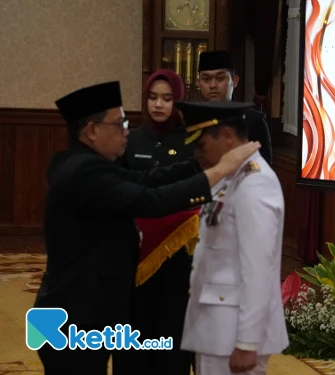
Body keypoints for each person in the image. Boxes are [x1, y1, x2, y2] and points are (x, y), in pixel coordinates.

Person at [33, 81, 260, 375]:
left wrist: (198, 165)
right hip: (75, 317)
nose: (127, 131)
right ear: (91, 130)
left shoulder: (84, 162)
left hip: (81, 311)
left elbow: (144, 180)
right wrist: (220, 170)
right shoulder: (83, 173)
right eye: (119, 124)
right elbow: (149, 200)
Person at [177, 100, 288, 375]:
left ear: (227, 136)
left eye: (201, 145)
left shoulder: (255, 183)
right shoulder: (231, 177)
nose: (197, 154)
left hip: (233, 333)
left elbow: (258, 268)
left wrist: (247, 341)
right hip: (218, 329)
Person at [113, 69, 196, 375]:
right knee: (135, 325)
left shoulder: (192, 140)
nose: (158, 105)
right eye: (152, 97)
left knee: (173, 325)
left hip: (178, 255)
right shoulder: (130, 139)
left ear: (178, 101)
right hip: (136, 253)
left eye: (167, 98)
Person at [197, 50, 273, 165]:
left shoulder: (253, 120)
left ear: (234, 81)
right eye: (206, 79)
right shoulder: (191, 118)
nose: (212, 85)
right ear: (198, 83)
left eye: (220, 78)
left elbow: (264, 168)